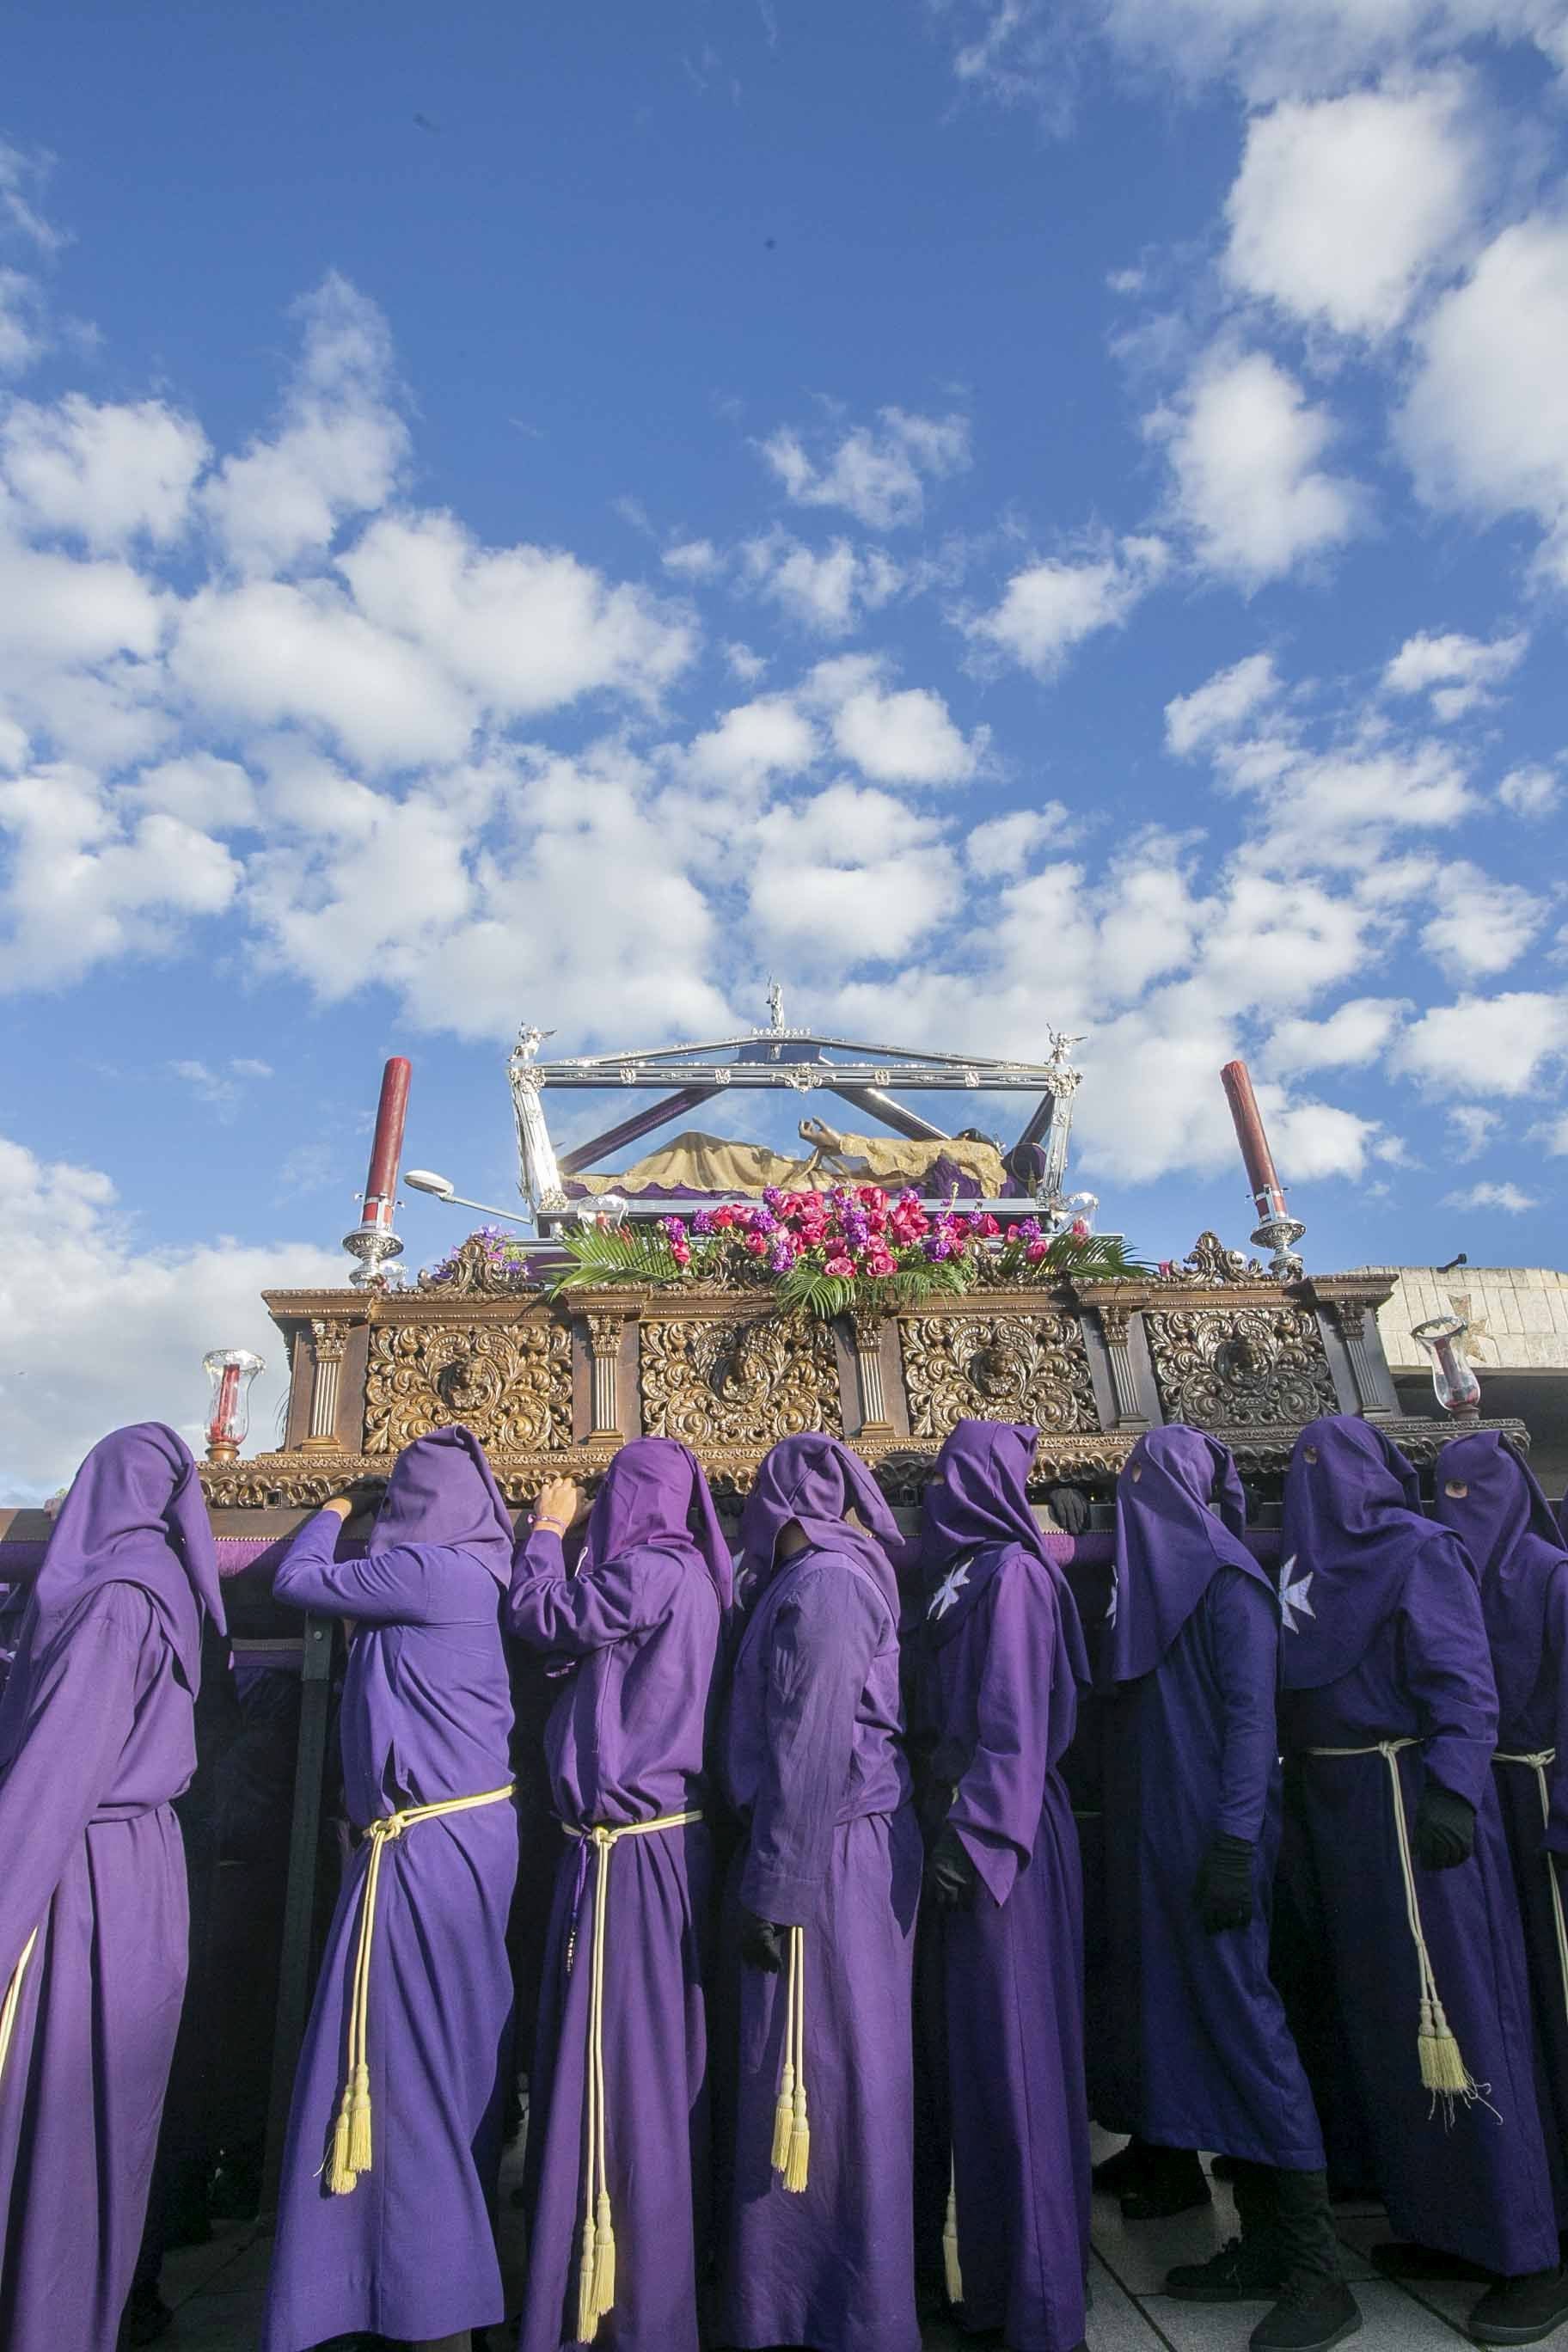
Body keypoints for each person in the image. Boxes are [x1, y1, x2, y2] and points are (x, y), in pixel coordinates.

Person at [1277, 1415, 1568, 2347]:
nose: (1316, 1485)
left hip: (1414, 1810)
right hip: (1347, 1817)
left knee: (1468, 2018)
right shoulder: (1307, 1573)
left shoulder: (1417, 1550)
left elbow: (1462, 1677)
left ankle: (1530, 2252)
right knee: (1388, 2025)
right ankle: (1449, 2224)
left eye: (1330, 1467)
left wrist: (1450, 1788)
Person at [1095, 1426, 1354, 2352]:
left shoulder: (1226, 1579)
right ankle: (1257, 2238)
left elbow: (1252, 1726)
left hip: (1213, 1848)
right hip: (1165, 1848)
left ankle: (1320, 2272)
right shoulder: (1162, 1579)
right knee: (1203, 2027)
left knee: (1250, 2034)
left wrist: (1237, 1847)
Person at [260, 1427, 519, 2352]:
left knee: (396, 2066)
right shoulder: (475, 1573)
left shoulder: (429, 1573)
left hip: (425, 1848)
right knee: (442, 2057)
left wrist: (334, 1508)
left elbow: (293, 1583)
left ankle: (422, 2298)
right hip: (457, 1839)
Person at [0, 1423, 227, 2352]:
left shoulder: (114, 1604)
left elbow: (57, 1774)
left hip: (77, 1880)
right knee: (103, 2125)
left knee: (58, 2123)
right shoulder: (160, 1586)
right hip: (140, 1873)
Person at [507, 1439, 731, 2352]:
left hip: (628, 1859)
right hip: (662, 1849)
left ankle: (618, 2291)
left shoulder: (650, 1570)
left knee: (616, 2071)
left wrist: (547, 1533)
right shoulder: (696, 1579)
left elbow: (543, 1618)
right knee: (654, 2063)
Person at [717, 1430, 922, 2352]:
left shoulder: (825, 1587)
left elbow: (809, 1748)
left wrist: (778, 1885)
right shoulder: (814, 1582)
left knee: (821, 2075)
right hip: (826, 1844)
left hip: (825, 1852)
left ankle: (834, 2314)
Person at [911, 1418, 1092, 2352]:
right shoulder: (971, 1567)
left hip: (1001, 1843)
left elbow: (1014, 1719)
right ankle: (990, 2289)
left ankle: (1040, 2309)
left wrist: (975, 1835)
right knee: (975, 2071)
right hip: (964, 1827)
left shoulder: (1013, 1576)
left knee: (1014, 2069)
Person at [1435, 1430, 1568, 2209]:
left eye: (1471, 1493)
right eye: (1443, 1493)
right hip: (1488, 1812)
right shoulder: (1451, 1576)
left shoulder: (1551, 1580)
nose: (1459, 1510)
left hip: (1543, 1802)